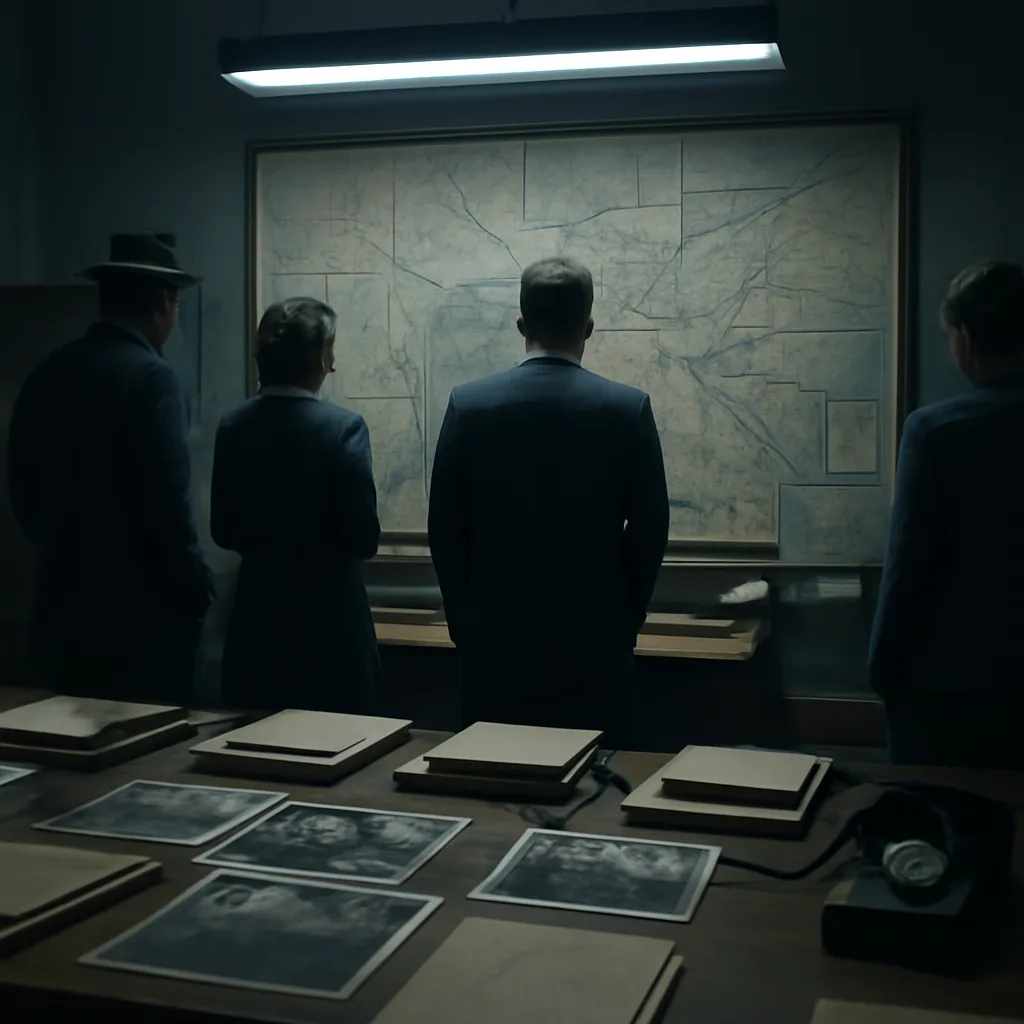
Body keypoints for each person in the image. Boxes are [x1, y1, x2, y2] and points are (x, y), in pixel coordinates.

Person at [428, 257, 670, 741]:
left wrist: (465, 621)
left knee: (488, 783)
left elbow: (445, 530)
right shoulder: (628, 409)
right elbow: (649, 531)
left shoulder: (468, 405)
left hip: (494, 643)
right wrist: (626, 620)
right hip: (596, 641)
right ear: (590, 326)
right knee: (596, 791)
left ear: (521, 323)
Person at [6, 233, 213, 704]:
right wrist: (195, 588)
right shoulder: (152, 378)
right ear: (165, 300)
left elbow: (22, 490)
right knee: (147, 762)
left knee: (65, 764)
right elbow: (168, 507)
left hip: (60, 613)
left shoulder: (48, 371)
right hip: (141, 627)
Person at [869, 260, 1024, 768]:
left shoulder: (937, 432)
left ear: (965, 338)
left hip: (950, 694)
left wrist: (882, 670)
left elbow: (909, 566)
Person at [211, 296, 380, 713]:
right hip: (331, 628)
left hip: (257, 622)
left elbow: (222, 529)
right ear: (321, 358)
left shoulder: (234, 426)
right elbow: (363, 538)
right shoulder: (343, 429)